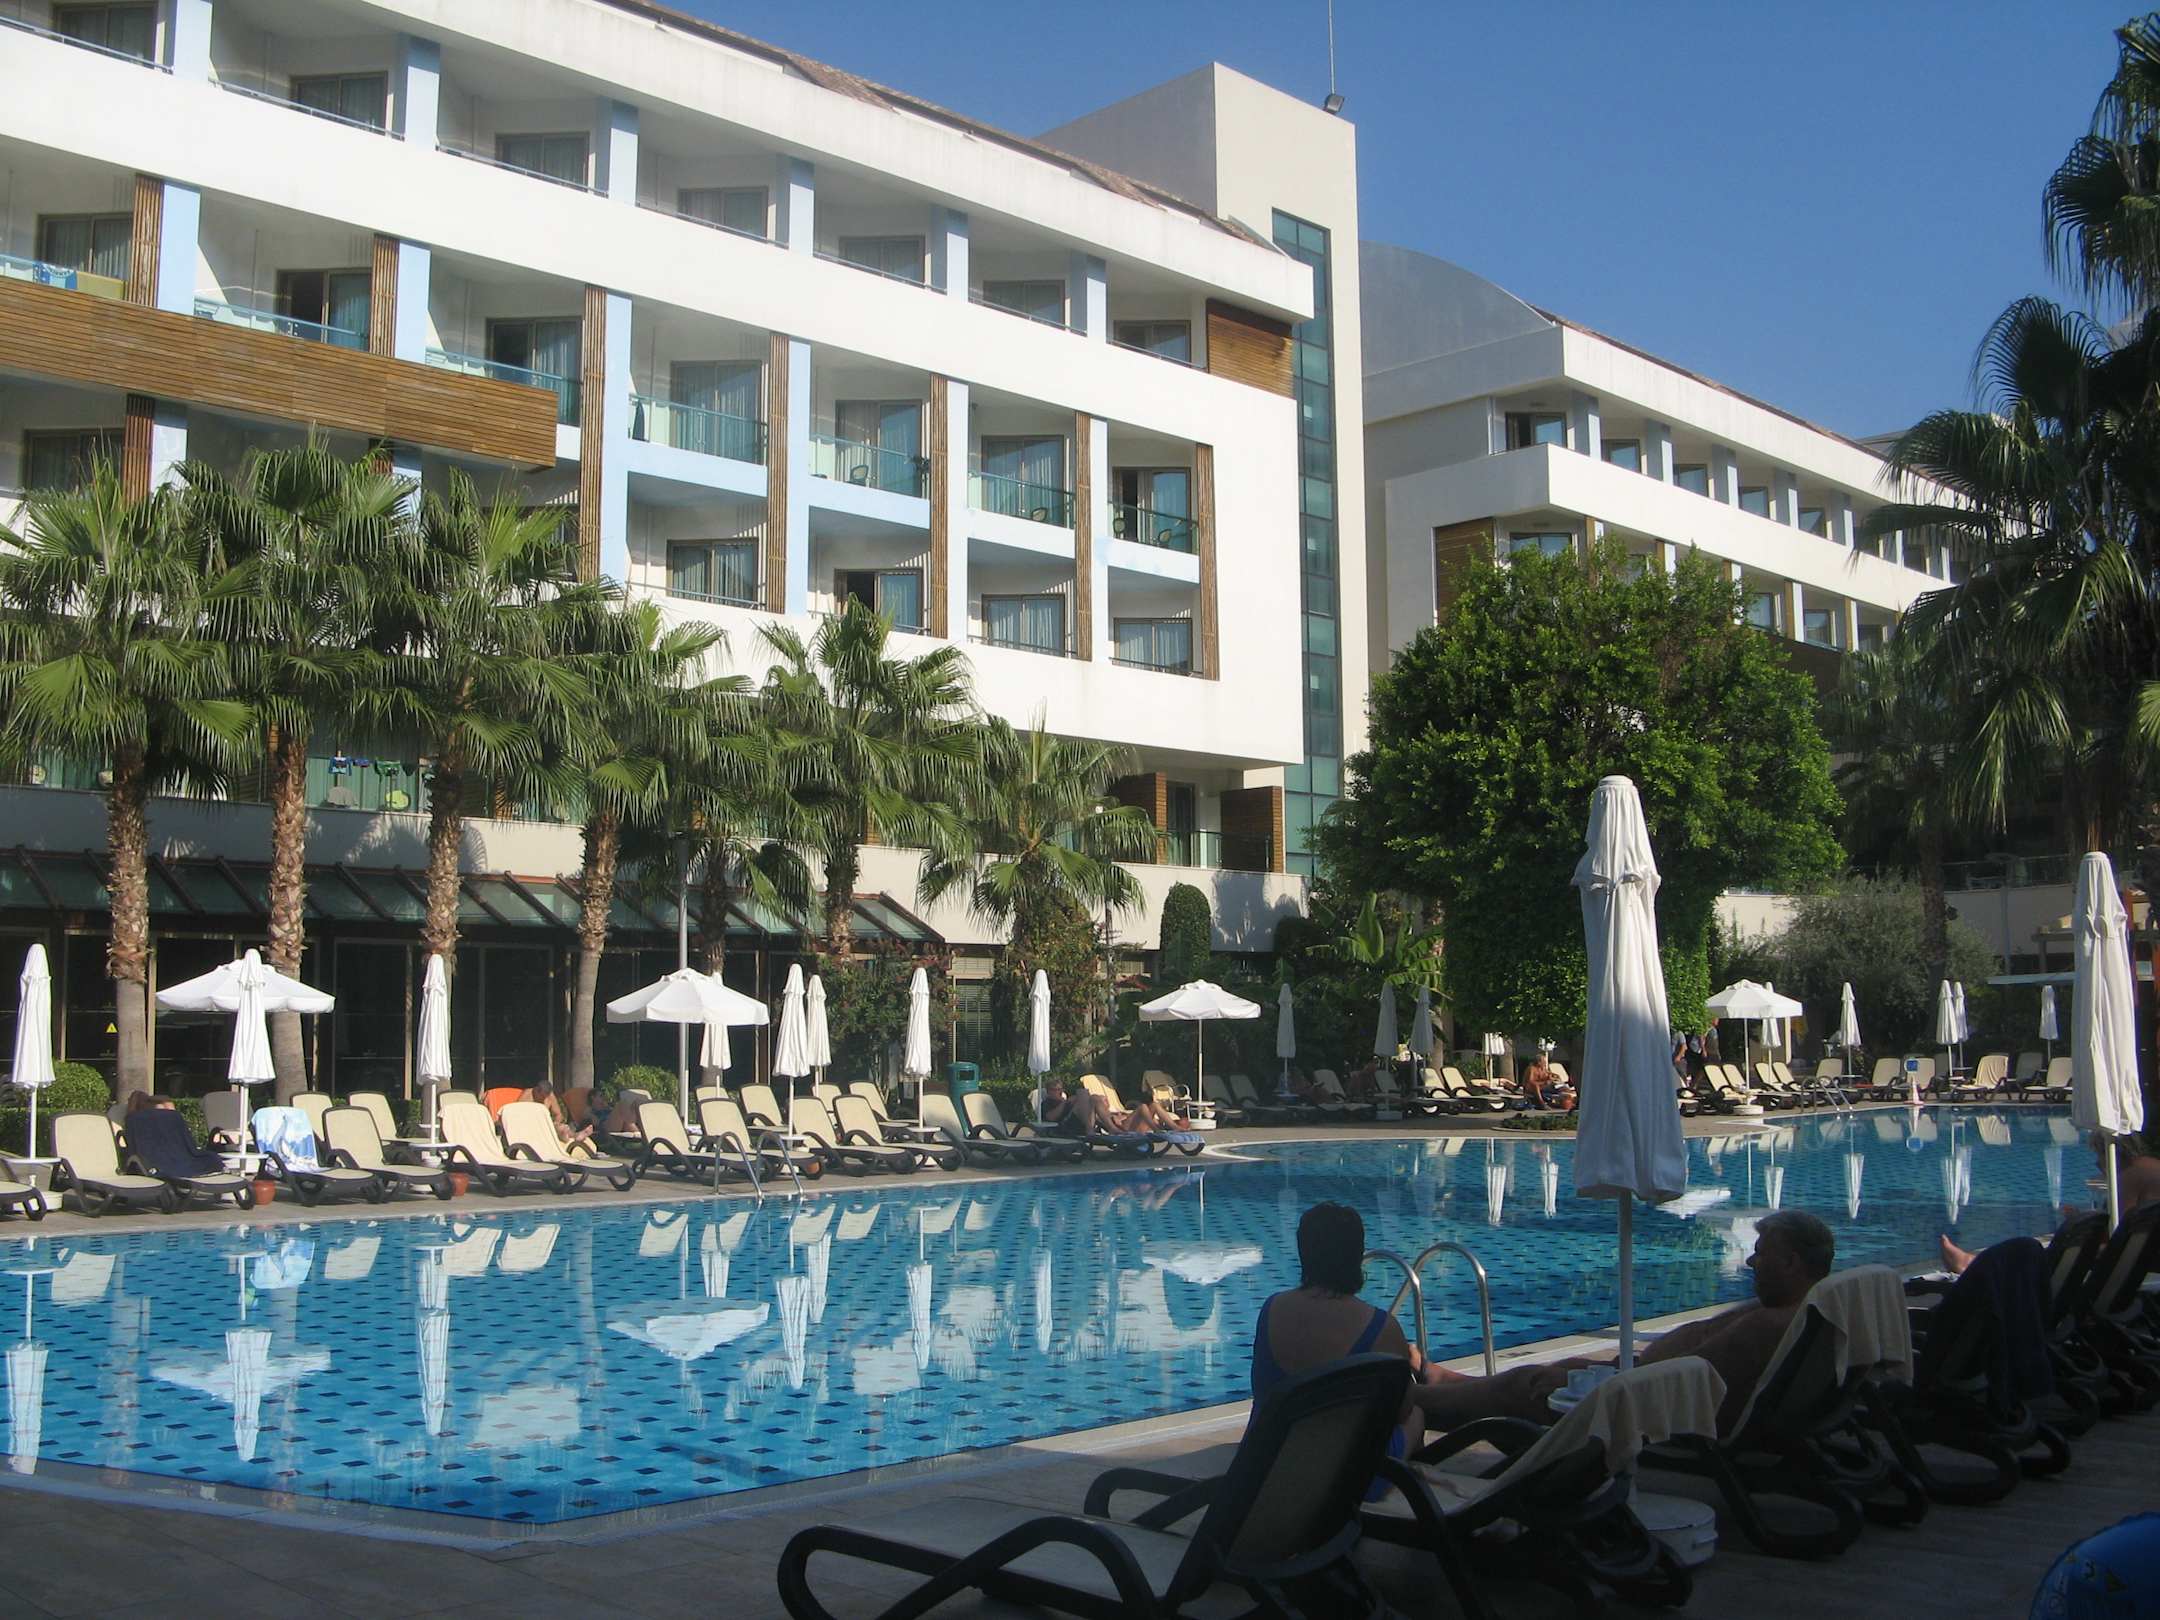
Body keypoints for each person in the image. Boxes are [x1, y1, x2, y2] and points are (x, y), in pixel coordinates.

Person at [1255, 1204, 1566, 1467]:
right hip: (1344, 1470)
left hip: (1272, 1457)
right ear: (1356, 1254)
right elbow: (1401, 1408)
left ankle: (1434, 1374)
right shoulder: (1378, 1326)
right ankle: (1415, 1479)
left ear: (1303, 1252)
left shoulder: (1272, 1309)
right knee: (1415, 1414)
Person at [1558, 1209, 1834, 1430]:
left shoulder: (1768, 1326)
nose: (1750, 1261)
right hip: (1641, 1379)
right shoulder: (1807, 1311)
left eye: (1760, 1252)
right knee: (1565, 1368)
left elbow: (1676, 1385)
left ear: (1790, 1263)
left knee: (1537, 1383)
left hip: (1640, 1403)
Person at [1940, 1131, 2160, 1273]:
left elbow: (2117, 1235)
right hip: (2145, 1257)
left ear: (2111, 1151)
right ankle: (1974, 1262)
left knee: (2037, 1253)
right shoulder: (2151, 1166)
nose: (2097, 1164)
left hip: (2134, 1263)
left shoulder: (2130, 1175)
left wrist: (2081, 1231)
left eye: (2098, 1156)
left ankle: (1972, 1264)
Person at [528, 1079, 592, 1145]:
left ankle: (575, 1135)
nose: (544, 1099)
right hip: (533, 1124)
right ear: (537, 1090)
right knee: (556, 1128)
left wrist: (556, 1123)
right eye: (542, 1096)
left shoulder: (550, 1097)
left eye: (545, 1097)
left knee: (559, 1127)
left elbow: (558, 1114)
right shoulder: (527, 1097)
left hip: (546, 1124)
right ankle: (566, 1135)